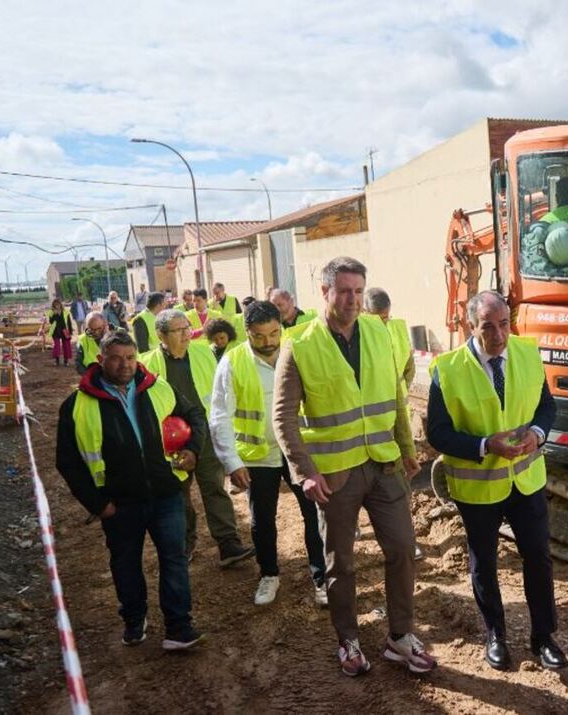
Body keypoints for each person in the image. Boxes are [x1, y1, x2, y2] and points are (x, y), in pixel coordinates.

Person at [272, 256, 434, 677]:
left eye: (359, 291)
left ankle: (400, 637)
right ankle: (348, 640)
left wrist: (405, 446)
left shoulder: (379, 333)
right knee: (340, 564)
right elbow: (284, 416)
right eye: (344, 291)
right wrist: (305, 471)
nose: (353, 300)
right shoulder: (301, 344)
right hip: (334, 475)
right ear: (324, 292)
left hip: (383, 465)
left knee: (401, 549)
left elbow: (396, 397)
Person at [426, 290, 567, 671]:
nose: (499, 335)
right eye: (488, 327)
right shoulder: (447, 369)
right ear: (470, 325)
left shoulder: (527, 353)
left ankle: (543, 638)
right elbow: (437, 434)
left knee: (538, 557)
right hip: (479, 487)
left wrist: (538, 433)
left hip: (526, 481)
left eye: (504, 324)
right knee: (484, 563)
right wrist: (486, 445)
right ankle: (495, 635)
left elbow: (546, 407)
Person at [56, 328, 206, 650]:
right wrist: (98, 505)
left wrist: (193, 450)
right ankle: (134, 621)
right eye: (116, 359)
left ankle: (179, 628)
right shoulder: (76, 406)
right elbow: (67, 462)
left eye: (130, 358)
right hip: (119, 504)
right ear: (100, 360)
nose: (125, 365)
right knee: (126, 565)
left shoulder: (158, 388)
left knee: (174, 559)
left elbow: (194, 413)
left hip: (166, 493)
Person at [210, 301, 328, 607]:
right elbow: (220, 415)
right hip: (257, 457)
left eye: (274, 333)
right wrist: (232, 462)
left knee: (314, 513)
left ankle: (322, 578)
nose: (268, 342)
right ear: (247, 332)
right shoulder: (232, 362)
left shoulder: (297, 350)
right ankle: (269, 574)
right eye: (260, 336)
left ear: (281, 327)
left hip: (298, 452)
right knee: (262, 520)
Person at [140, 309, 255, 567]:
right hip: (170, 443)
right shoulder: (147, 363)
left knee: (214, 487)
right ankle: (184, 544)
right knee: (178, 494)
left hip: (205, 434)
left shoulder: (205, 352)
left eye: (187, 328)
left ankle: (228, 544)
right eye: (178, 330)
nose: (186, 334)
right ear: (161, 335)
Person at [364, 287, 421, 560]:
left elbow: (408, 367)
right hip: (364, 422)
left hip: (394, 417)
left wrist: (397, 394)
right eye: (379, 318)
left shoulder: (397, 329)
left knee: (398, 478)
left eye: (386, 317)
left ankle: (405, 535)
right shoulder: (356, 335)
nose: (384, 322)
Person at [44, 299, 74, 366]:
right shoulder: (51, 312)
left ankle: (66, 361)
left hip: (65, 330)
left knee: (66, 346)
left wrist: (70, 330)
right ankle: (57, 361)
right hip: (55, 331)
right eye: (55, 304)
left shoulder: (66, 311)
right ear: (53, 305)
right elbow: (51, 322)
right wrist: (55, 314)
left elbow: (69, 322)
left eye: (58, 304)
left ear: (60, 304)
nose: (57, 305)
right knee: (57, 346)